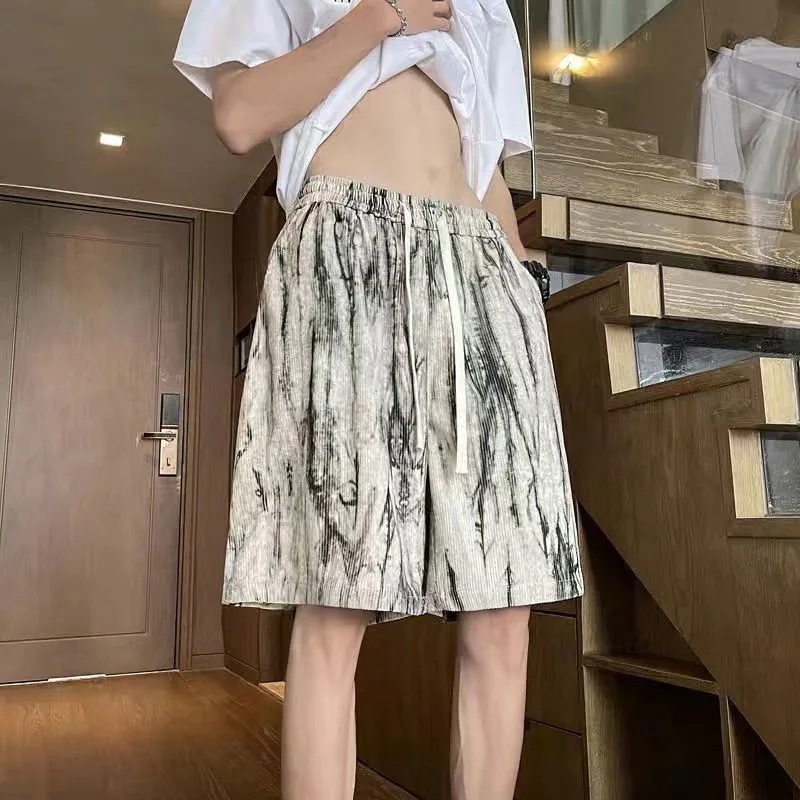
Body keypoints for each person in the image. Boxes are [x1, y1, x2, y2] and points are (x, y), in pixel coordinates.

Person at [174, 0, 583, 796]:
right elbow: (239, 114)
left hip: (480, 268)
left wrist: (520, 275)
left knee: (505, 604)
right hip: (346, 247)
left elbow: (484, 160)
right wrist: (381, 16)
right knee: (337, 596)